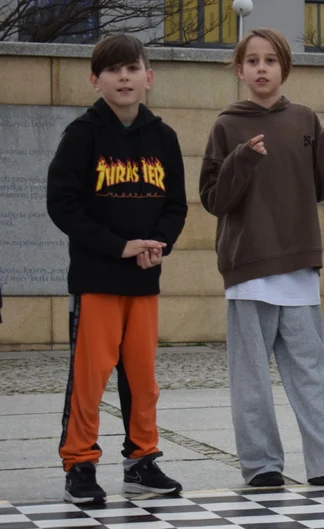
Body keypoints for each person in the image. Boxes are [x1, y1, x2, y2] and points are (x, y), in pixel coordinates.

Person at [199, 28, 324, 489]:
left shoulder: (303, 118)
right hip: (250, 268)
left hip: (299, 265)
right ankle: (261, 466)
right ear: (240, 70)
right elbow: (213, 199)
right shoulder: (226, 125)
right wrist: (241, 160)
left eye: (271, 60)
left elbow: (323, 187)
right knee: (252, 377)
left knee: (311, 371)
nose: (262, 68)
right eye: (252, 61)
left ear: (284, 68)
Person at [46, 35, 187, 505]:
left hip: (144, 280)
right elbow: (62, 205)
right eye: (112, 70)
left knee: (142, 376)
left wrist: (157, 246)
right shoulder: (82, 134)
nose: (123, 77)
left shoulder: (163, 137)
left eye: (132, 69)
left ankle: (141, 462)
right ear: (95, 79)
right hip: (96, 280)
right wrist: (118, 246)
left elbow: (175, 206)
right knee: (90, 377)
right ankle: (80, 464)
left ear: (149, 77)